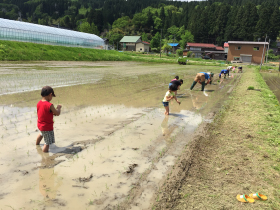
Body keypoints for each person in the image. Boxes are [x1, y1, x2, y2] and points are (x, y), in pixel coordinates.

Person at [36, 86, 62, 153]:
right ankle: (45, 155)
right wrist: (59, 108)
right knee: (47, 143)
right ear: (50, 94)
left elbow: (42, 113)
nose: (51, 98)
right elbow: (57, 113)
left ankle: (37, 144)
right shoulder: (49, 105)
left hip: (40, 124)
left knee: (41, 133)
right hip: (47, 127)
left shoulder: (39, 103)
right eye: (52, 96)